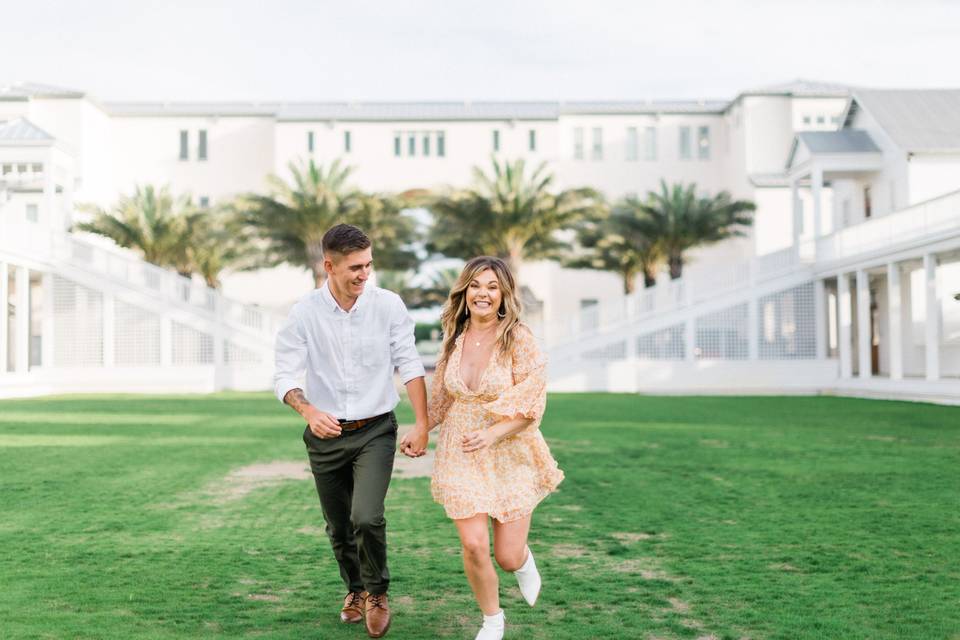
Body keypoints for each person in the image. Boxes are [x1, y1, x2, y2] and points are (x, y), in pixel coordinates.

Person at [274, 223, 429, 639]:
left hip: (376, 429)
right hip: (324, 436)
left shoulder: (388, 305)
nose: (364, 274)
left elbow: (410, 364)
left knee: (366, 516)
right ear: (329, 266)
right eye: (356, 267)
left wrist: (423, 423)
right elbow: (284, 375)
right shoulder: (305, 312)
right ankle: (354, 590)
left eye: (369, 265)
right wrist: (307, 409)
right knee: (339, 526)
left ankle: (377, 593)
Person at [399, 256, 564, 640]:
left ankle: (522, 562)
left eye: (492, 286)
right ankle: (492, 620)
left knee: (506, 556)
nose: (483, 294)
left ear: (504, 294)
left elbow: (532, 403)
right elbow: (442, 396)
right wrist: (421, 428)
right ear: (465, 291)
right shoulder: (455, 337)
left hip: (510, 450)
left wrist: (492, 435)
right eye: (476, 285)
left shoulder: (518, 337)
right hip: (461, 449)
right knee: (473, 544)